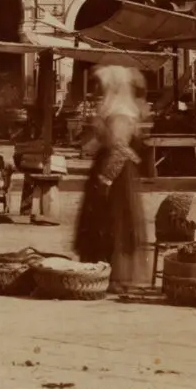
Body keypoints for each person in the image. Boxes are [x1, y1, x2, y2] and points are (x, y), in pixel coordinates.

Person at [73, 72, 149, 288]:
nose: (98, 92)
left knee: (113, 221)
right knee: (104, 222)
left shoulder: (120, 111)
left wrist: (106, 179)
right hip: (112, 168)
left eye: (102, 87)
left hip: (117, 174)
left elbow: (119, 148)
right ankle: (101, 270)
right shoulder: (114, 109)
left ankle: (111, 273)